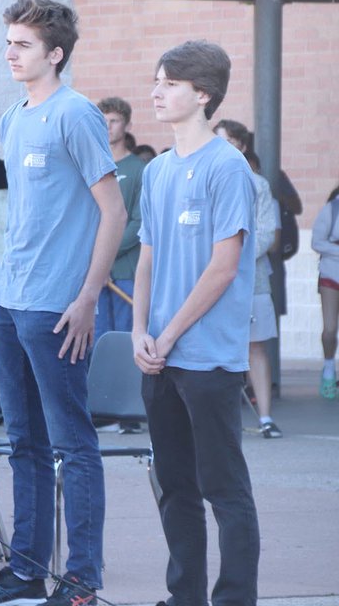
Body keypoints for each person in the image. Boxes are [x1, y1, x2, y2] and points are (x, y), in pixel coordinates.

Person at [0, 0, 125, 606]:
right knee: (23, 443)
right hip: (8, 300)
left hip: (58, 306)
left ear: (55, 54)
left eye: (23, 44)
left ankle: (81, 578)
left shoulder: (77, 114)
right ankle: (26, 570)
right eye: (8, 42)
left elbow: (113, 211)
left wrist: (88, 297)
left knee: (72, 445)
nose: (10, 53)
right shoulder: (13, 117)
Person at [132, 40, 260, 606]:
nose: (156, 92)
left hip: (208, 358)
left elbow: (223, 267)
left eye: (170, 83)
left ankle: (235, 599)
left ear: (203, 94)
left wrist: (168, 334)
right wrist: (139, 331)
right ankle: (185, 596)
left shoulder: (228, 167)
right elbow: (147, 258)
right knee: (175, 488)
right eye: (156, 81)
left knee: (223, 489)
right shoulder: (157, 170)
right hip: (158, 356)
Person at [215, 121, 282, 437]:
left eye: (228, 141)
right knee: (217, 349)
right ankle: (219, 418)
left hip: (252, 280)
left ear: (241, 145)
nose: (222, 146)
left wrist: (231, 257)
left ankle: (265, 417)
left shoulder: (258, 185)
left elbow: (267, 233)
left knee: (256, 347)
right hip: (212, 282)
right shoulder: (206, 177)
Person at [95, 98, 145, 340]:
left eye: (114, 121)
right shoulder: (91, 166)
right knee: (97, 341)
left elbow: (139, 221)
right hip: (93, 271)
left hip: (126, 271)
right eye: (103, 121)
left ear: (127, 126)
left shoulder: (139, 169)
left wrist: (105, 254)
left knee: (125, 339)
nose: (108, 126)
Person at [312, 184, 339, 399]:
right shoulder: (332, 209)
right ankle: (329, 368)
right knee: (330, 328)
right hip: (331, 274)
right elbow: (316, 242)